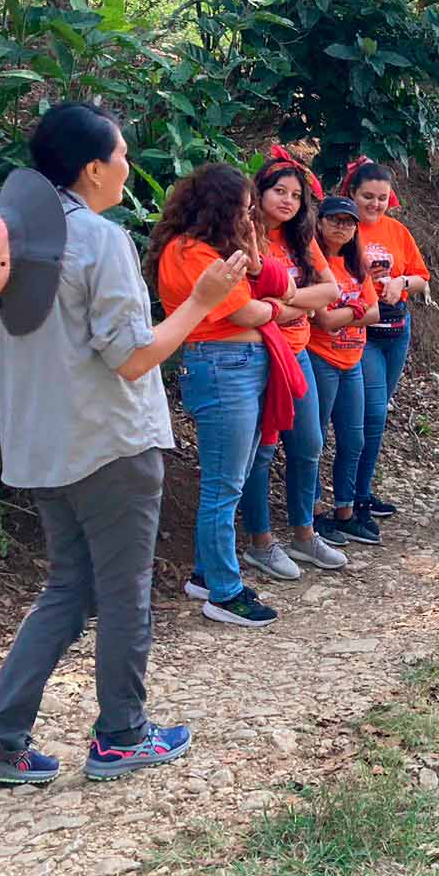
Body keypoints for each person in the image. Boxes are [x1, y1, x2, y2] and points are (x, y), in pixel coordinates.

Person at [0, 103, 246, 785]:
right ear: (91, 168)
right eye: (123, 156)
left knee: (69, 587)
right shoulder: (102, 241)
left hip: (40, 448)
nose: (127, 168)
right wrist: (201, 301)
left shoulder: (10, 236)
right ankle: (122, 735)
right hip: (111, 445)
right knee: (123, 591)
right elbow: (134, 360)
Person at [150, 164, 283, 629]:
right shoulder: (188, 253)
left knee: (236, 476)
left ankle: (209, 575)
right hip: (222, 367)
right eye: (244, 210)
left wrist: (247, 239)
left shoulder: (211, 249)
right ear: (220, 208)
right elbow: (246, 311)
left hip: (237, 367)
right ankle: (225, 593)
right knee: (223, 486)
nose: (249, 218)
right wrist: (274, 311)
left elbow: (262, 273)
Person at [236, 149, 348, 578]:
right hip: (256, 353)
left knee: (309, 443)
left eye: (296, 196)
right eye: (278, 191)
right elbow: (245, 302)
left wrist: (284, 300)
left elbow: (330, 291)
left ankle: (304, 534)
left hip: (298, 352)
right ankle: (260, 541)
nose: (287, 200)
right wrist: (296, 302)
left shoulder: (301, 241)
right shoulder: (243, 235)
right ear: (258, 192)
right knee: (261, 451)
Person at [345, 160, 432, 521]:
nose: (375, 204)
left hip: (396, 331)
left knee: (375, 415)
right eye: (368, 196)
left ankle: (361, 491)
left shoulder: (396, 230)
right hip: (360, 331)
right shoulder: (341, 229)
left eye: (382, 198)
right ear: (352, 194)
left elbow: (423, 278)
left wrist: (401, 283)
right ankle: (350, 497)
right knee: (373, 413)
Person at [307, 195, 379, 548]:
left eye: (349, 222)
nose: (342, 226)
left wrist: (347, 311)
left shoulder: (356, 265)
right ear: (318, 223)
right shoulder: (313, 264)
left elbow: (376, 313)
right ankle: (314, 512)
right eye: (334, 219)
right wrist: (357, 309)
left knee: (354, 439)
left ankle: (345, 511)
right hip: (321, 359)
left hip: (352, 361)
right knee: (315, 438)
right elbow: (323, 320)